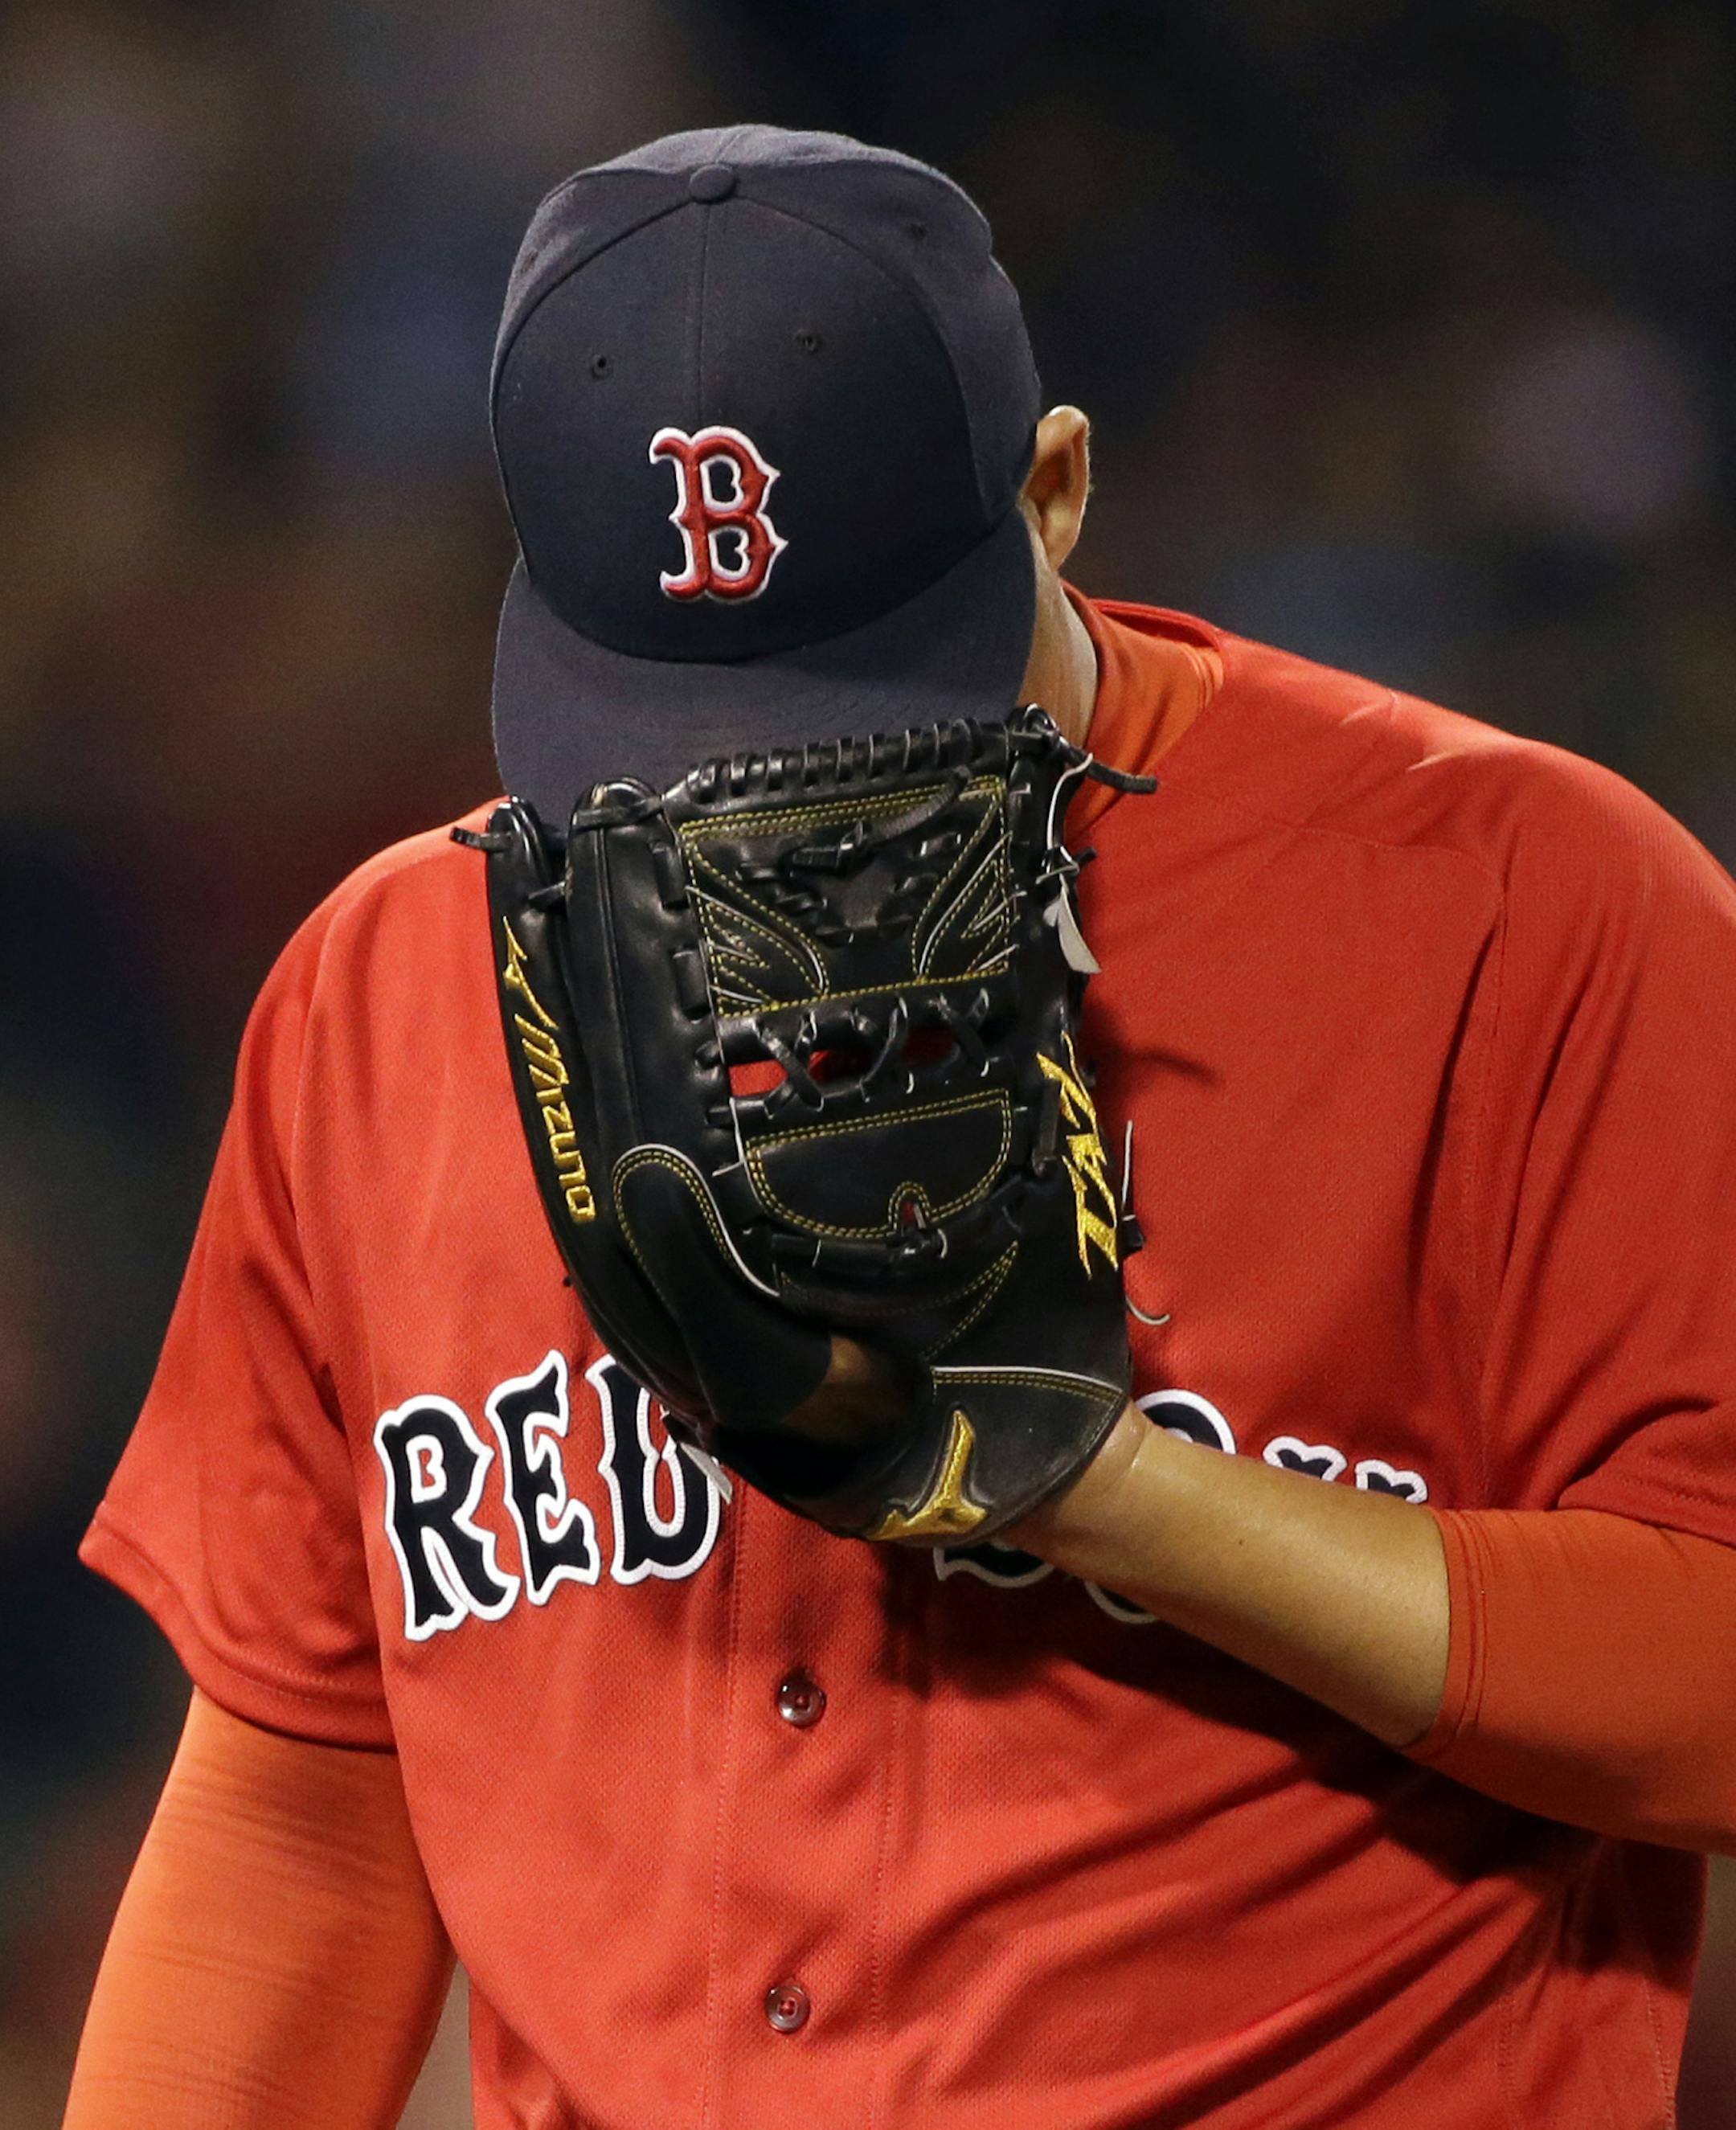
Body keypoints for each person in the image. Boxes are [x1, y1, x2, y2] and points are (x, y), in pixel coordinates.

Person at [64, 126, 1736, 2130]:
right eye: (700, 721)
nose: (781, 790)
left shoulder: (1522, 906)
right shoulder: (393, 985)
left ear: (1057, 488)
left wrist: (1104, 1493)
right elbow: (305, 1798)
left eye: (864, 690)